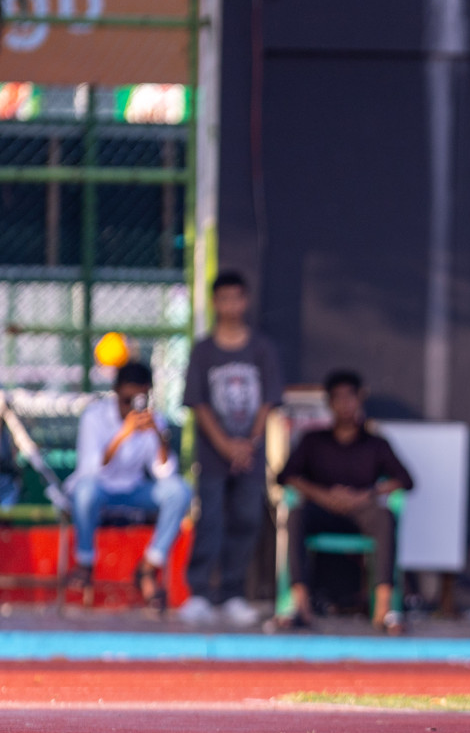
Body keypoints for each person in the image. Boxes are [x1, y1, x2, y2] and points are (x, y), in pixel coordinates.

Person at [181, 271, 284, 626]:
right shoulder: (203, 350)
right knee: (208, 520)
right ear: (214, 303)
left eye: (235, 298)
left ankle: (232, 593)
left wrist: (249, 444)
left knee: (247, 519)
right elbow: (198, 404)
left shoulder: (261, 349)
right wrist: (225, 445)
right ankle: (199, 594)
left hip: (251, 457)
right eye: (222, 298)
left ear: (246, 301)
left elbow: (269, 401)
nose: (229, 305)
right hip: (212, 456)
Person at [277, 371, 413, 634]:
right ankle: (299, 605)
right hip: (322, 510)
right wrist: (321, 495)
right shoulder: (313, 441)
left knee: (385, 517)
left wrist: (368, 494)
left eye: (349, 398)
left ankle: (384, 609)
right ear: (329, 403)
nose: (344, 405)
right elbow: (286, 476)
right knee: (294, 515)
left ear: (360, 399)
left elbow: (405, 480)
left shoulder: (375, 443)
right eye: (337, 398)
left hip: (361, 512)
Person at [64, 361, 194, 611]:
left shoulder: (154, 421)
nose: (132, 406)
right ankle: (85, 562)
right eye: (127, 399)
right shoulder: (95, 417)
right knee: (85, 491)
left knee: (180, 491)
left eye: (139, 399)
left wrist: (158, 435)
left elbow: (164, 472)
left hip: (133, 490)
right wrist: (123, 435)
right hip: (99, 490)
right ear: (115, 392)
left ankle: (148, 567)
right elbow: (91, 469)